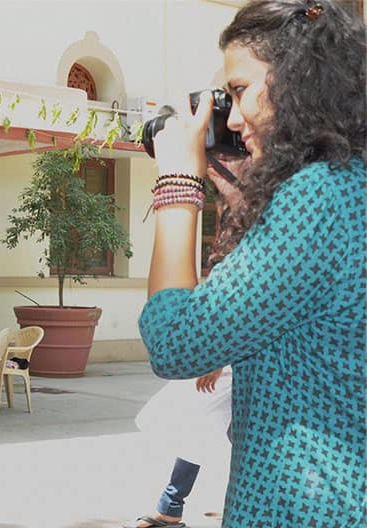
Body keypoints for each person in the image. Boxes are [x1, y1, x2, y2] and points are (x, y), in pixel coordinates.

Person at [138, 0, 365, 525]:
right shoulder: (349, 184)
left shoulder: (317, 196)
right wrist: (256, 213)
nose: (233, 119)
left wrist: (178, 185)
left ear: (297, 80)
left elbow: (175, 342)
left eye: (239, 92)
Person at [126, 368, 233, 528]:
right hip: (234, 360)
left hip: (243, 361)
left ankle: (171, 505)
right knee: (199, 427)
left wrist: (217, 364)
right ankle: (170, 506)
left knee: (197, 422)